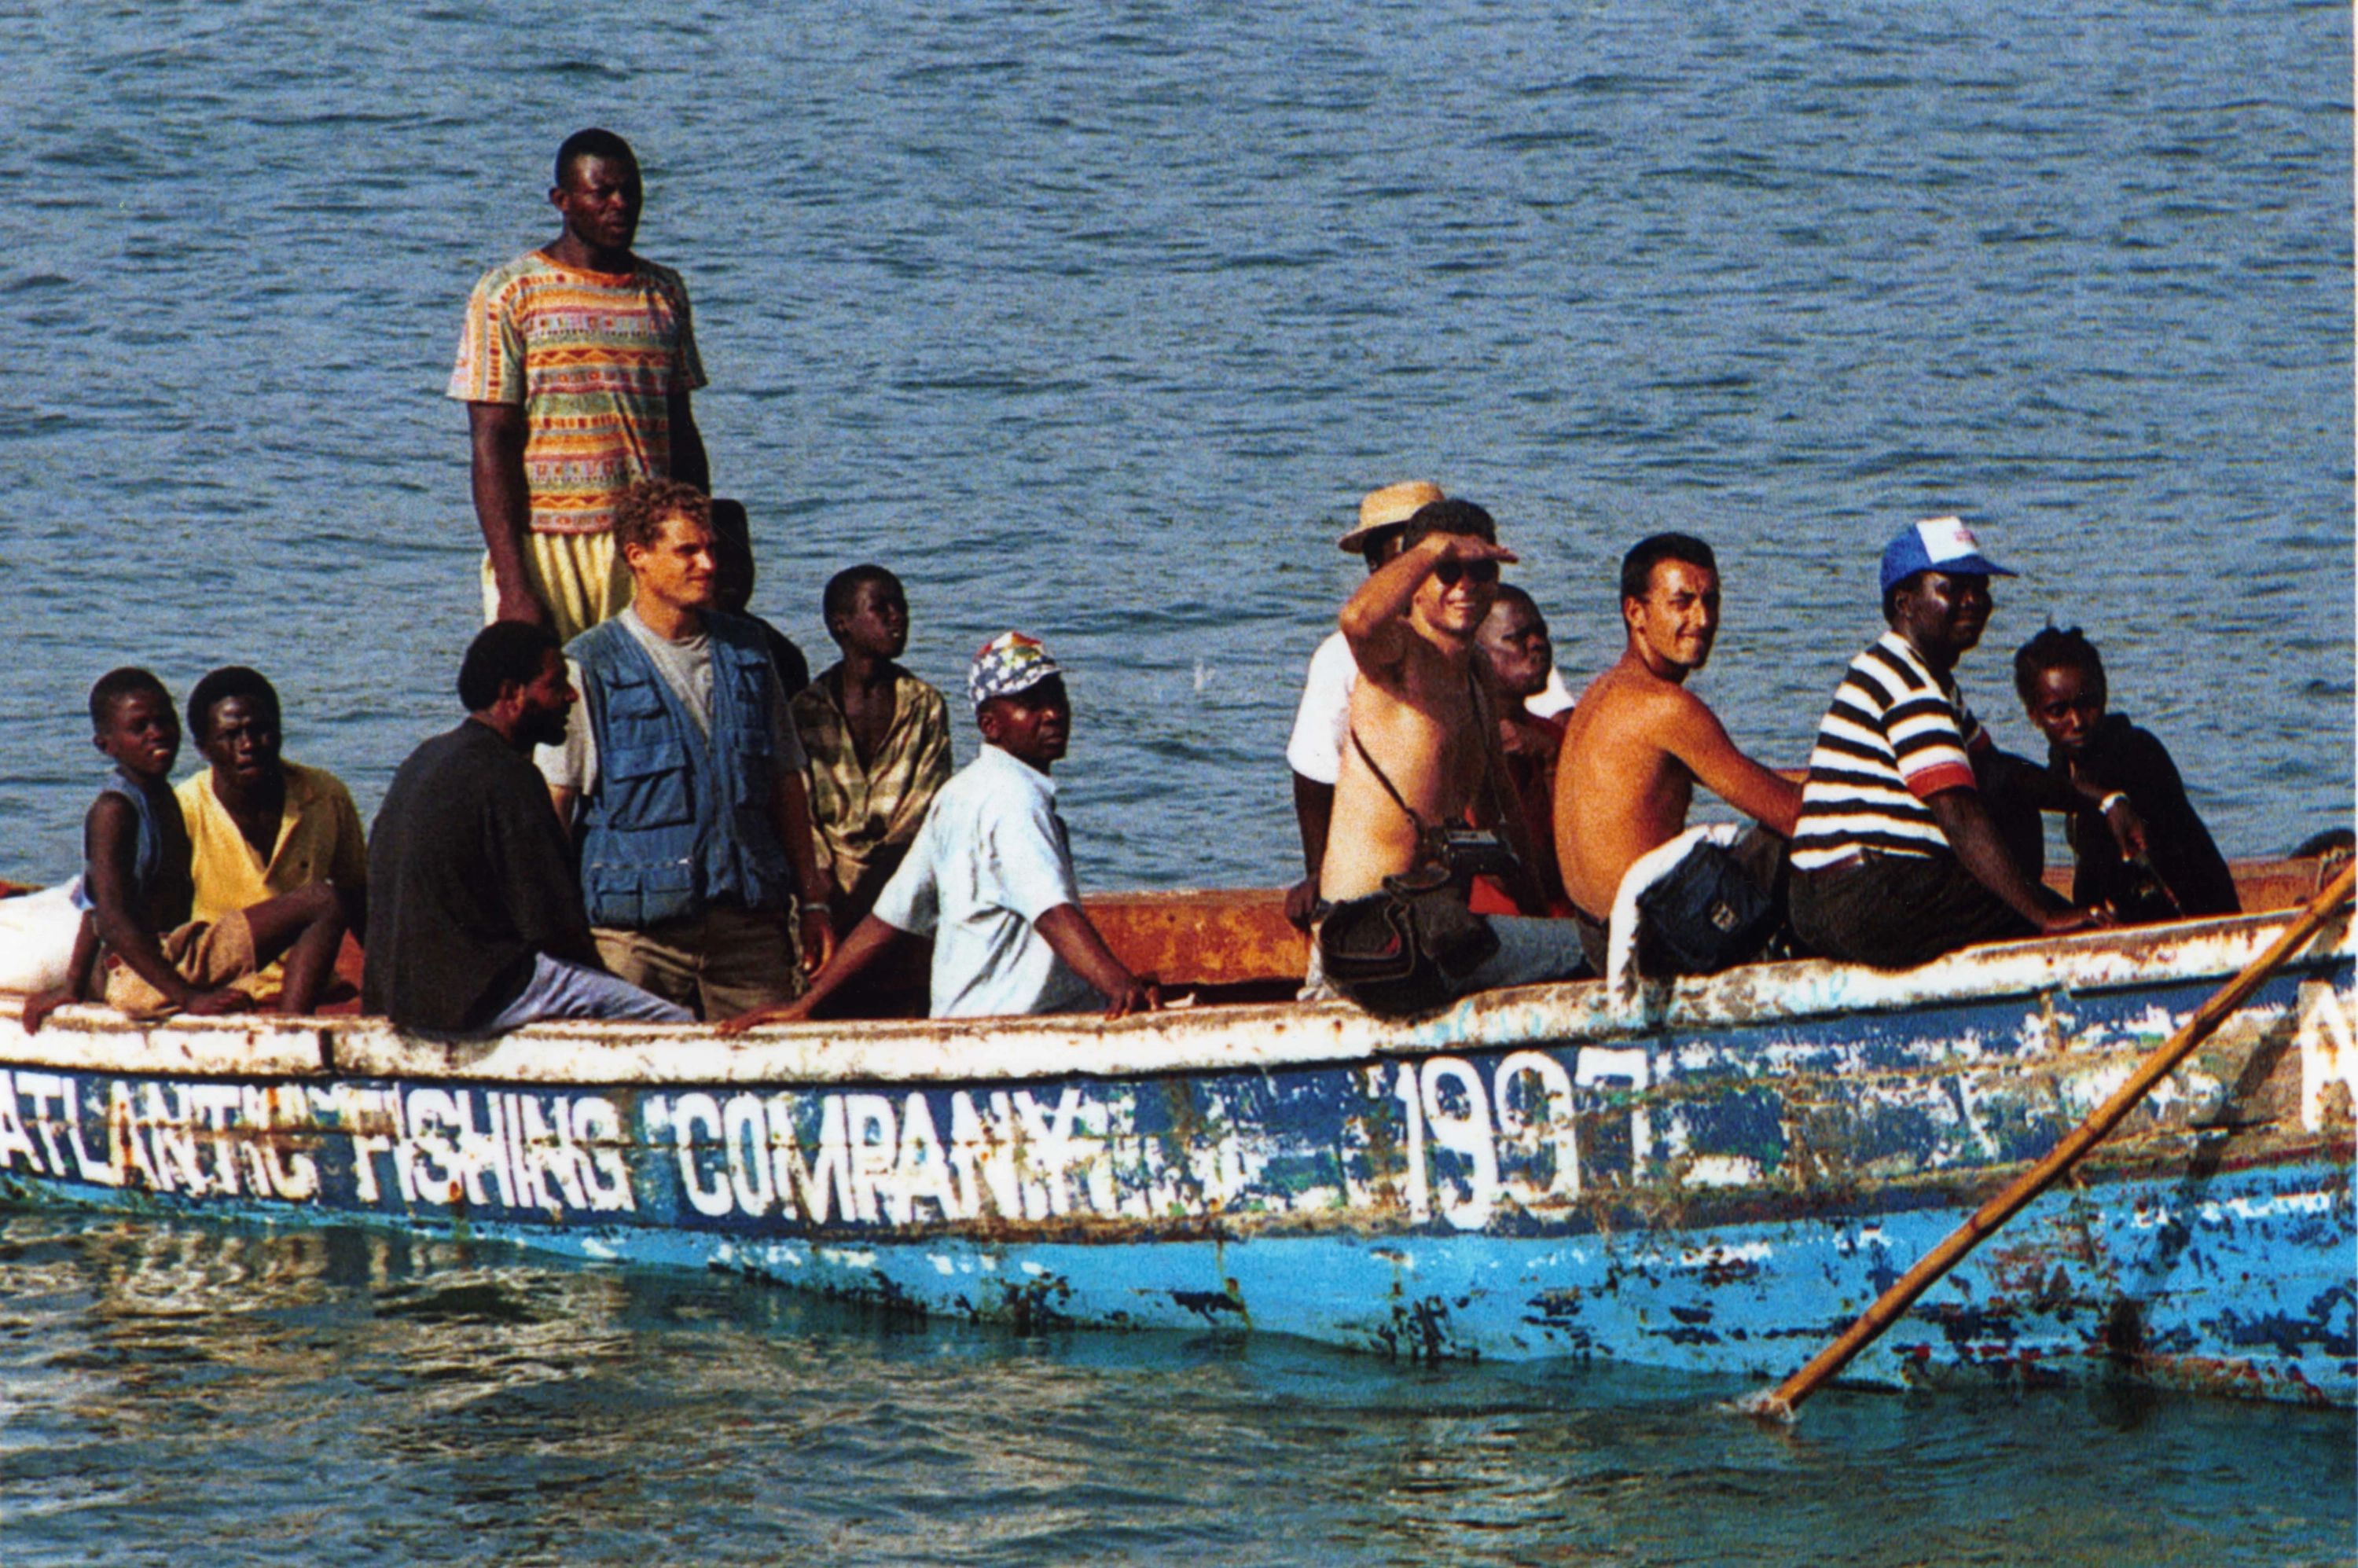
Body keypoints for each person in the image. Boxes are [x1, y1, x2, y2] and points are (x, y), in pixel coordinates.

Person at [723, 633, 1159, 1026]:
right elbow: (1054, 914)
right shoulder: (1012, 799)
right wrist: (1121, 984)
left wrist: (808, 1002)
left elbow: (888, 917)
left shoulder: (959, 793)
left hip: (960, 1022)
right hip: (1015, 1028)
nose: (1053, 714)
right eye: (1030, 703)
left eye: (1057, 697)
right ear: (991, 725)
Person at [1787, 518, 2140, 968]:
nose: (1973, 601)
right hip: (1865, 894)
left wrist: (2105, 800)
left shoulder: (1911, 673)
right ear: (1905, 603)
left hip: (1834, 896)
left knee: (2011, 802)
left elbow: (1998, 771)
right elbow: (1957, 814)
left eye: (1980, 587)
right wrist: (2045, 916)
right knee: (2053, 918)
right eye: (1951, 588)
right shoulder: (1909, 685)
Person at [541, 480, 833, 1021]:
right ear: (638, 557)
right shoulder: (589, 665)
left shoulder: (749, 653)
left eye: (711, 550)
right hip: (633, 940)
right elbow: (555, 807)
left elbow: (787, 783)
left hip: (747, 928)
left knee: (769, 1079)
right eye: (687, 551)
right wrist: (553, 933)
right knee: (622, 1085)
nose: (707, 564)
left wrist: (812, 901)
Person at [1316, 500, 1590, 1007]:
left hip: (1439, 930)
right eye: (1447, 571)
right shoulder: (1397, 656)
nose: (1464, 586)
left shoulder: (1477, 673)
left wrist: (1538, 916)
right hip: (1371, 939)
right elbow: (1357, 619)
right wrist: (1432, 549)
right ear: (1415, 582)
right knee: (1601, 951)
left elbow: (1500, 811)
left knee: (1594, 946)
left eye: (1481, 570)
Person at [450, 128, 711, 644]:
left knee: (652, 705)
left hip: (648, 542)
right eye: (603, 193)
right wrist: (513, 583)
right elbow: (491, 440)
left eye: (631, 192)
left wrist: (702, 539)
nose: (621, 205)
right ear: (562, 201)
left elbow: (681, 432)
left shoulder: (664, 292)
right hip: (549, 547)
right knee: (552, 708)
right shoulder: (509, 292)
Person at [365, 623, 690, 1034]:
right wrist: (605, 982)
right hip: (476, 998)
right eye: (557, 685)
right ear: (511, 695)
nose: (571, 697)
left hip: (400, 997)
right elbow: (555, 925)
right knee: (676, 1024)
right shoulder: (509, 775)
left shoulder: (427, 757)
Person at [22, 670, 345, 1030]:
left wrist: (74, 985)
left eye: (164, 721)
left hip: (175, 957)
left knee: (313, 905)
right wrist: (188, 997)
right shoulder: (114, 811)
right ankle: (290, 1033)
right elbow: (109, 919)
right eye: (139, 727)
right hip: (142, 975)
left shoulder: (163, 797)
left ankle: (285, 1025)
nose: (156, 734)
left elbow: (94, 898)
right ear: (107, 746)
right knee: (322, 901)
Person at [1552, 534, 1800, 975]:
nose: (1702, 619)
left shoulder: (1605, 691)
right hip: (1651, 940)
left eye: (1711, 601)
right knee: (1803, 835)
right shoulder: (1667, 708)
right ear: (1636, 613)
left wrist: (1844, 771)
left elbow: (1738, 774)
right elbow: (1792, 814)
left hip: (1598, 934)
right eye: (1681, 603)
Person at [2013, 626, 2239, 920]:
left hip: (2190, 915)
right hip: (2138, 906)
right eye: (2058, 712)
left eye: (2088, 704)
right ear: (2034, 715)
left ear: (2104, 695)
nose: (2077, 721)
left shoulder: (2134, 753)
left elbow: (2097, 870)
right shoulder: (2063, 761)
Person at [789, 564, 953, 938]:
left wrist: (863, 907)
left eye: (903, 607)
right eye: (882, 608)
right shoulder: (805, 710)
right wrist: (824, 892)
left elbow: (920, 817)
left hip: (902, 886)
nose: (899, 617)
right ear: (842, 624)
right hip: (825, 893)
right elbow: (803, 818)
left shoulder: (923, 705)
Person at [175, 666, 369, 969]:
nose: (248, 745)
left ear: (279, 731)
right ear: (203, 748)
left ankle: (293, 1015)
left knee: (325, 900)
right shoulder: (184, 808)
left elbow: (356, 891)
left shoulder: (325, 796)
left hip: (304, 971)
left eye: (259, 730)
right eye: (230, 735)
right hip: (221, 973)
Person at [1470, 585, 1573, 920]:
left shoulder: (1551, 736)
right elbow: (1518, 876)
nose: (1538, 644)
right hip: (1502, 929)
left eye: (1542, 633)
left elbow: (1590, 848)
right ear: (1477, 653)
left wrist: (1553, 757)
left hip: (1564, 920)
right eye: (1517, 638)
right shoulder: (1465, 745)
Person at [710, 498, 810, 696]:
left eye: (741, 559)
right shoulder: (658, 647)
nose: (734, 572)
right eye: (720, 559)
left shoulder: (779, 654)